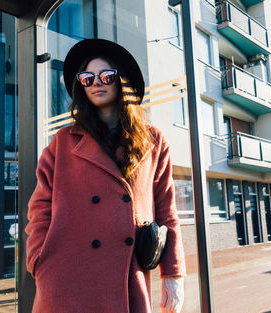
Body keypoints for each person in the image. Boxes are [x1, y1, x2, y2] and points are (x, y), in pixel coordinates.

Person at [25, 39, 186, 313]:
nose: (96, 83)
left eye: (106, 76)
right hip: (65, 279)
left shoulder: (153, 140)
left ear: (121, 81)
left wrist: (173, 274)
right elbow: (40, 209)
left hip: (128, 278)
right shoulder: (62, 142)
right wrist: (39, 261)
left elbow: (166, 211)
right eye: (87, 78)